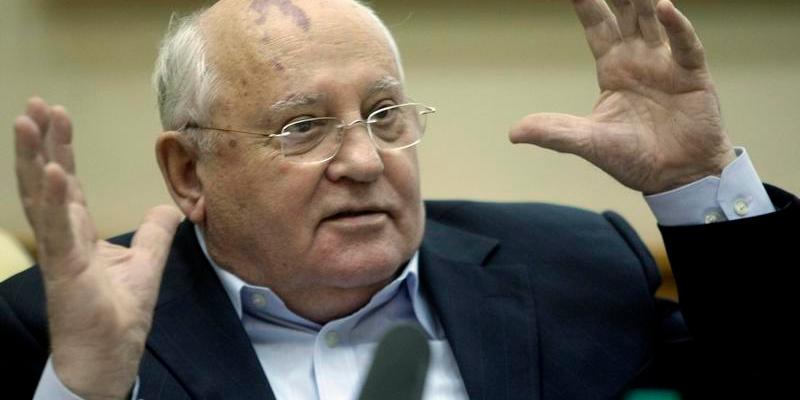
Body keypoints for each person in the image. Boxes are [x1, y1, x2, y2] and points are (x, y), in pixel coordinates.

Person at [2, 0, 797, 398]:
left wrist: (696, 179)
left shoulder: (573, 268)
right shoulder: (60, 332)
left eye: (385, 115)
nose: (363, 160)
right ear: (188, 173)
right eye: (303, 127)